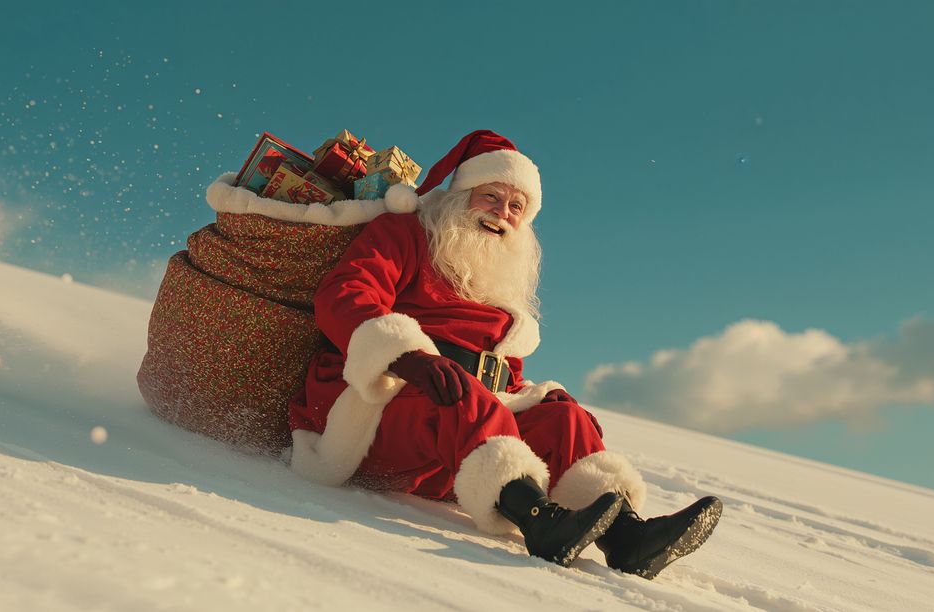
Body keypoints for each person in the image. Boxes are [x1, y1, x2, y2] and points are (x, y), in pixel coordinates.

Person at [288, 130, 721, 577]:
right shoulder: (405, 233)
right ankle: (540, 521)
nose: (503, 214)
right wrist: (408, 357)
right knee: (466, 395)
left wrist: (534, 401)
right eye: (491, 196)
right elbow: (344, 295)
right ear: (459, 195)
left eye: (517, 207)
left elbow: (503, 381)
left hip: (450, 451)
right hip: (370, 412)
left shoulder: (497, 281)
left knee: (563, 418)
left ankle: (627, 538)